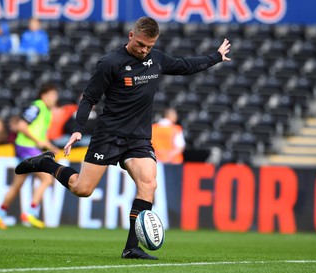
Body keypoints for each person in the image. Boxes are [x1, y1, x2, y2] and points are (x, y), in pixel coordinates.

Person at [14, 17, 231, 259]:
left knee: (148, 184)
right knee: (82, 189)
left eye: (149, 46)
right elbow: (89, 98)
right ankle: (46, 164)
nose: (144, 50)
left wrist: (215, 57)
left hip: (138, 139)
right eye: (140, 44)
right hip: (108, 136)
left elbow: (185, 65)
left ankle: (131, 247)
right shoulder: (110, 63)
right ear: (131, 36)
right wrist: (78, 128)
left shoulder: (156, 59)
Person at [0, 83, 60, 229]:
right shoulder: (37, 107)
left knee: (17, 185)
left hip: (29, 148)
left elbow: (41, 136)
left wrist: (53, 147)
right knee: (47, 178)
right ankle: (31, 212)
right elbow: (22, 125)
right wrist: (37, 141)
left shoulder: (46, 112)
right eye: (52, 95)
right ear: (43, 95)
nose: (55, 98)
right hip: (26, 147)